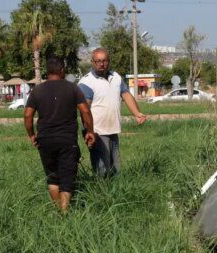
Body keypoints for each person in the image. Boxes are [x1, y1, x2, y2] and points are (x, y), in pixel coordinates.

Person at [24, 57, 95, 211]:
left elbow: (28, 115)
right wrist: (90, 131)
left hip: (45, 140)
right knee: (67, 178)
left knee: (53, 178)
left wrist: (31, 134)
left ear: (47, 72)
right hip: (67, 140)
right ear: (62, 70)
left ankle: (58, 212)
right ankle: (64, 213)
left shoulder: (37, 90)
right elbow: (85, 111)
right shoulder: (73, 88)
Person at [78, 48, 147, 176]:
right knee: (102, 170)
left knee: (115, 169)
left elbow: (126, 95)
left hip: (113, 130)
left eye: (104, 60)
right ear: (92, 62)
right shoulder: (86, 82)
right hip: (97, 132)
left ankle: (114, 193)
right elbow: (84, 109)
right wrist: (88, 131)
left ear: (108, 61)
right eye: (98, 61)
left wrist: (137, 114)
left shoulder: (116, 77)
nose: (101, 64)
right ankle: (101, 193)